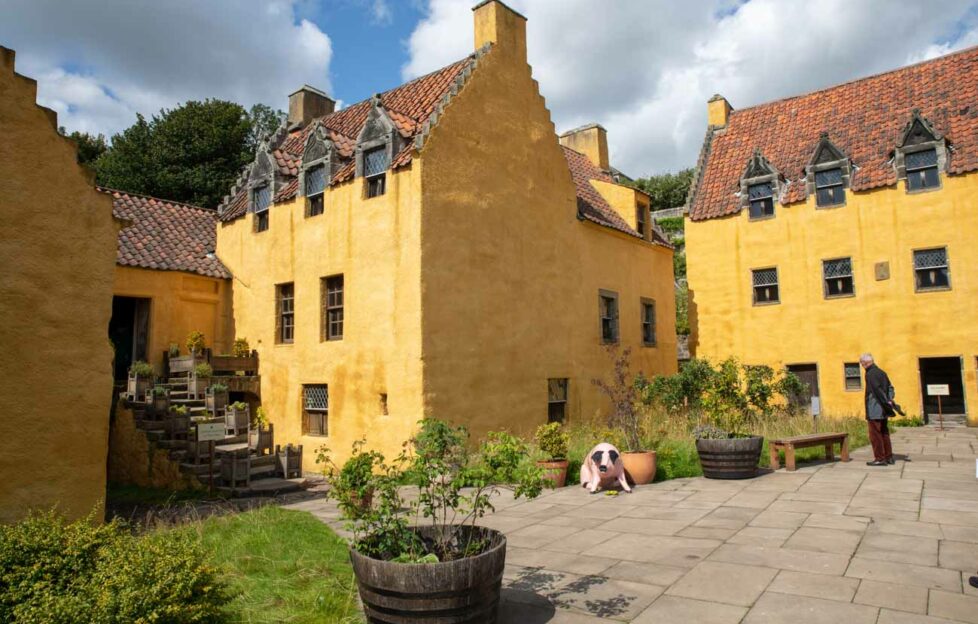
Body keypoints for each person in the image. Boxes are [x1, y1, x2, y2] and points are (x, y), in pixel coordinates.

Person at [861, 353, 895, 466]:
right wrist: (889, 401)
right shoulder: (882, 372)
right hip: (884, 409)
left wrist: (883, 402)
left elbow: (876, 391)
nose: (862, 366)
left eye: (862, 364)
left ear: (865, 363)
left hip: (875, 409)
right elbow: (890, 388)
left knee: (875, 435)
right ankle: (888, 457)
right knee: (884, 433)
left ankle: (880, 458)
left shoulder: (870, 374)